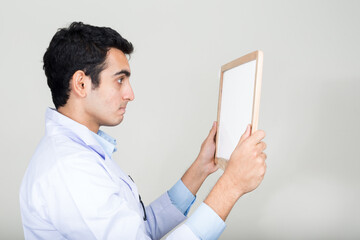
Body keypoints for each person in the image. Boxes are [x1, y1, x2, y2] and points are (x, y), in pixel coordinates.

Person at [20, 22, 267, 240]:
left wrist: (200, 169)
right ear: (82, 84)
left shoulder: (80, 153)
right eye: (120, 80)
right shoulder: (71, 168)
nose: (130, 94)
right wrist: (232, 185)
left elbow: (140, 229)